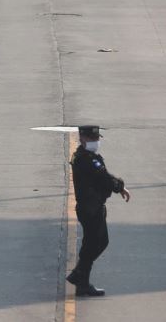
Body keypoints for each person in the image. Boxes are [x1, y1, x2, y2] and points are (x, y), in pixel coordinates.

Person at [66, 125, 131, 297]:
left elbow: (104, 177)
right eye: (92, 139)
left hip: (91, 206)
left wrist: (118, 187)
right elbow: (104, 178)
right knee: (98, 242)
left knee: (93, 243)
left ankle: (81, 281)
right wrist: (120, 185)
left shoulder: (86, 156)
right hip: (90, 207)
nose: (96, 142)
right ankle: (80, 275)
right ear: (82, 138)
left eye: (97, 139)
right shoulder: (86, 159)